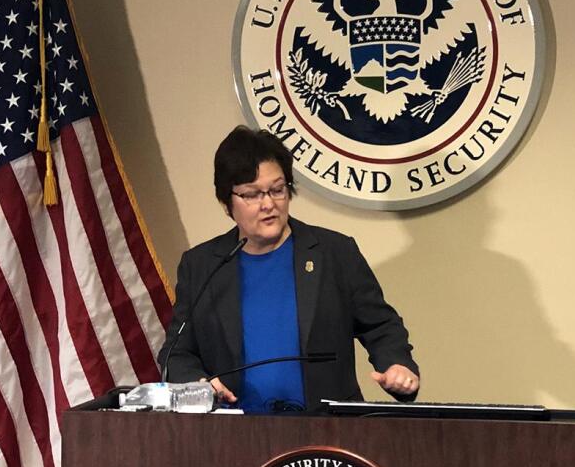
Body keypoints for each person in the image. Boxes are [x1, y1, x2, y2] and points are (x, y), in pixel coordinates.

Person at [158, 126, 419, 413]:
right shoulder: (202, 265)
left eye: (277, 190)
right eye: (252, 195)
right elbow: (176, 353)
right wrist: (200, 385)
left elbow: (380, 325)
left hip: (326, 432)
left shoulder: (334, 253)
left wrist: (397, 364)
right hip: (233, 436)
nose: (268, 204)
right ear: (226, 203)